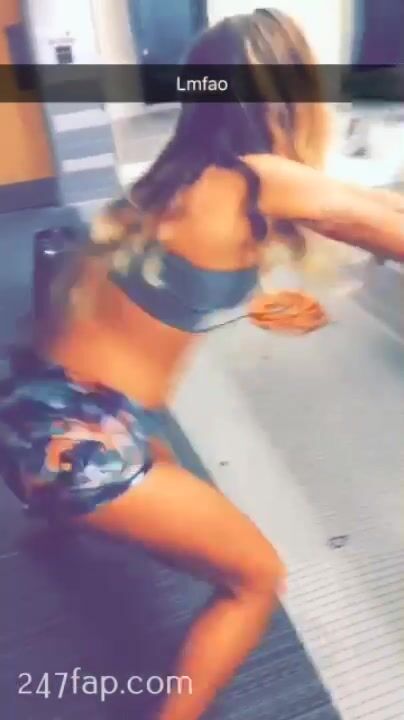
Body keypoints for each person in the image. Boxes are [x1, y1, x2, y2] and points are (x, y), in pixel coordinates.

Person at [1, 10, 404, 720]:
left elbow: (363, 206)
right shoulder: (259, 179)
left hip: (30, 403)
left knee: (156, 453)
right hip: (81, 444)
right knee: (255, 579)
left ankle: (58, 513)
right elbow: (379, 221)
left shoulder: (169, 173)